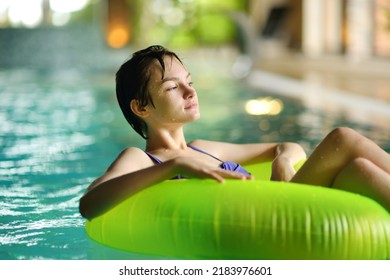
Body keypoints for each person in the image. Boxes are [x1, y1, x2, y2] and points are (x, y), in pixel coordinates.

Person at [79, 45, 390, 220]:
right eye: (173, 87)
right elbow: (90, 204)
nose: (190, 91)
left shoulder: (205, 149)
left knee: (359, 170)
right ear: (141, 108)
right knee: (342, 138)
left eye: (190, 81)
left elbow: (289, 145)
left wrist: (281, 161)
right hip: (267, 222)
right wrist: (175, 166)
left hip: (280, 202)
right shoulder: (143, 160)